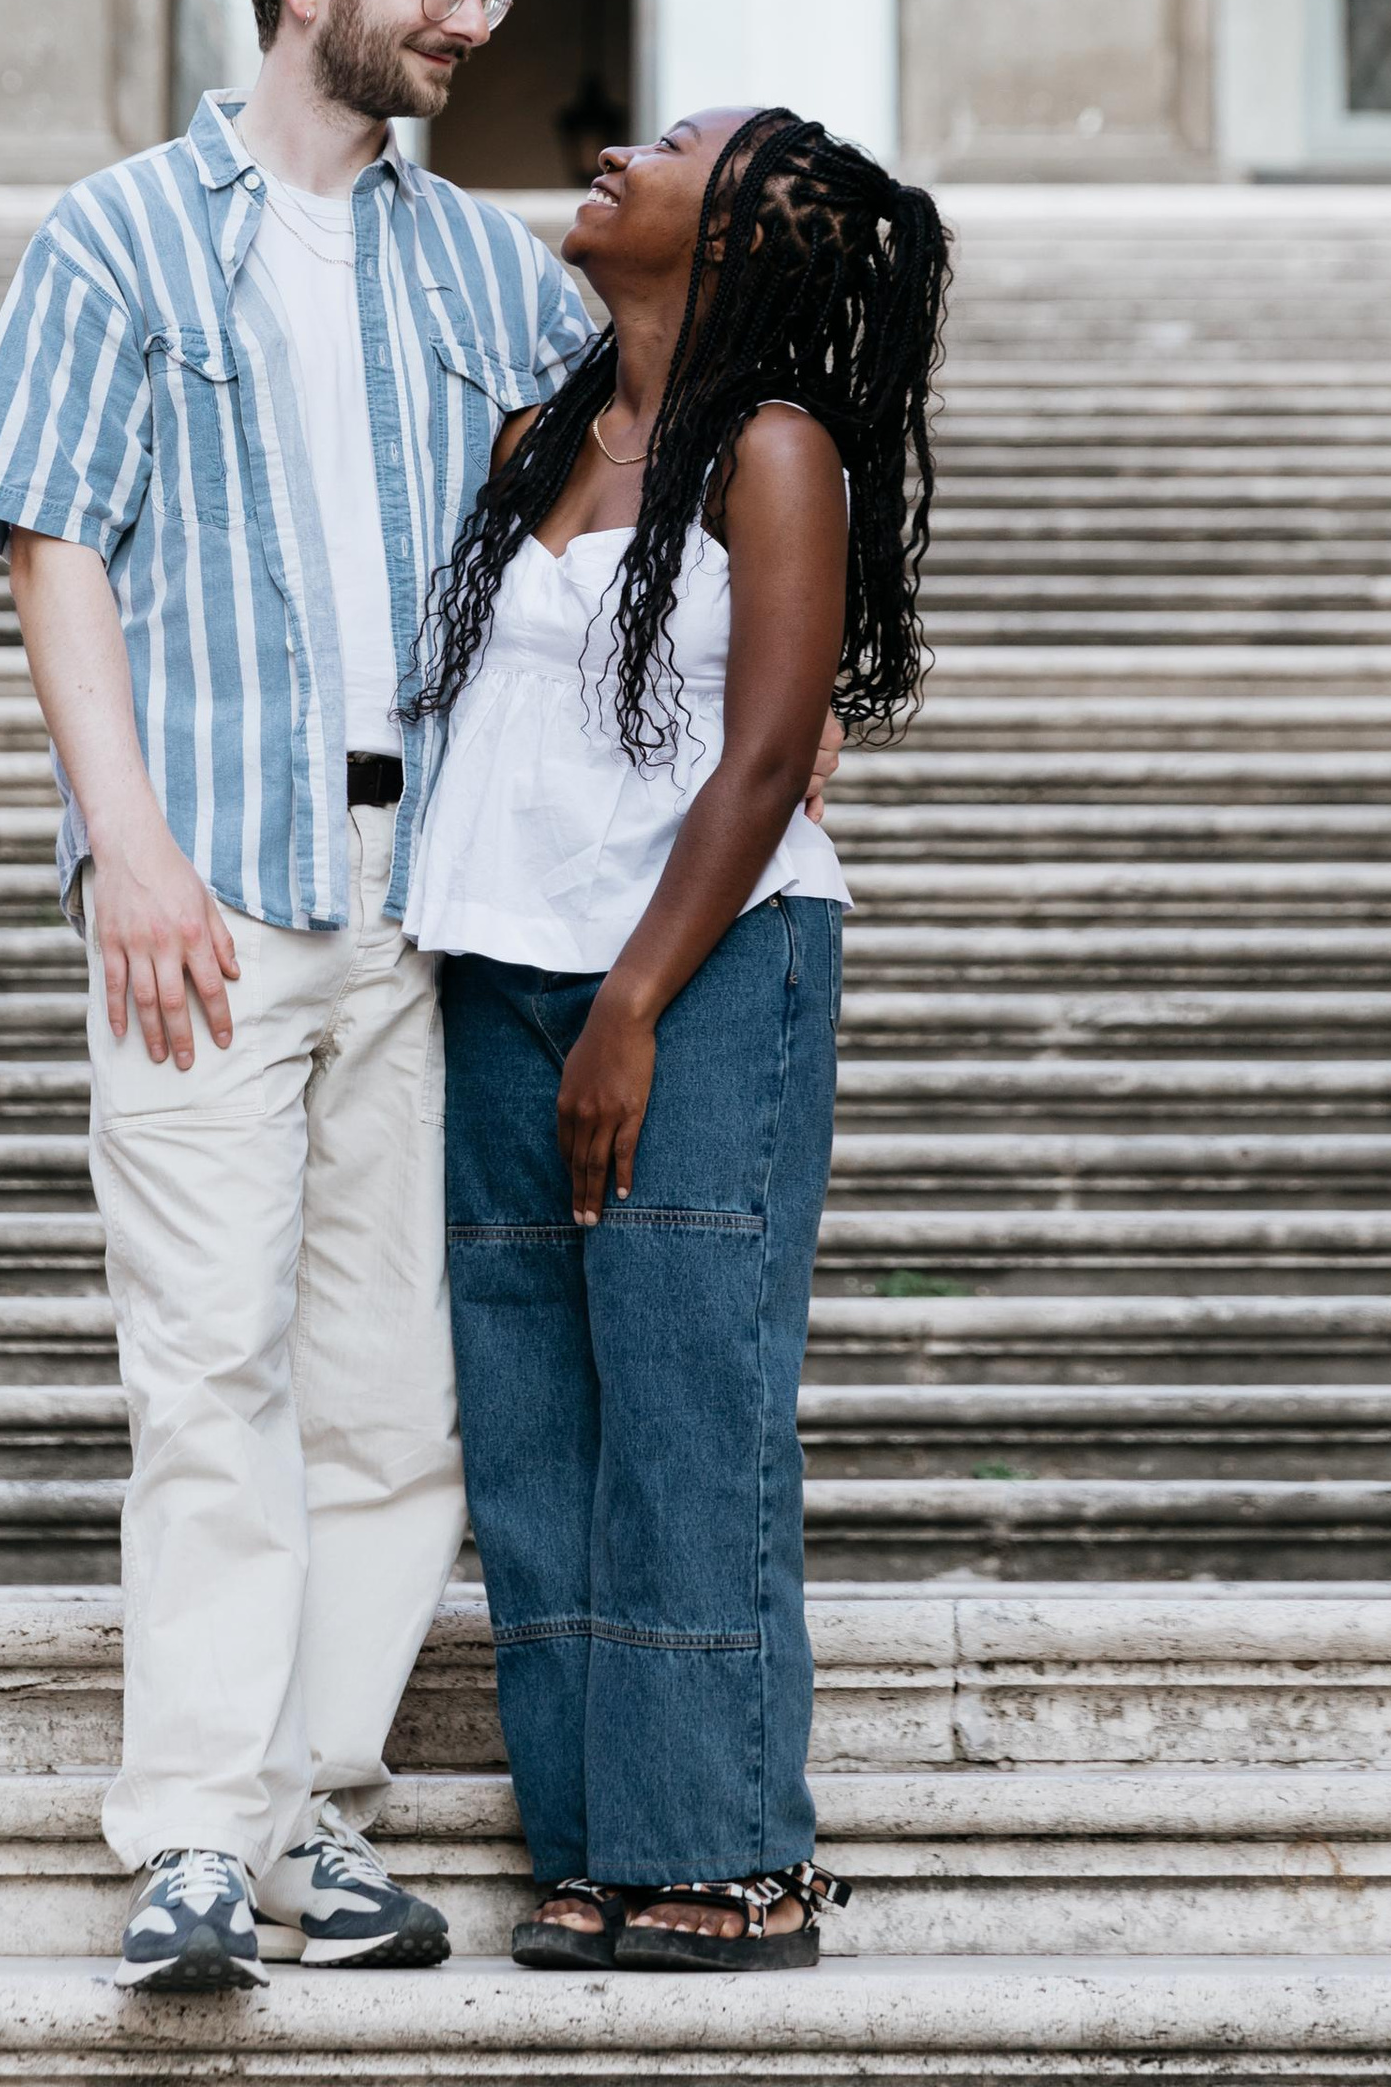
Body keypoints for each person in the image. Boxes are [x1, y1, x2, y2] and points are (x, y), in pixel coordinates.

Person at [0, 0, 594, 1994]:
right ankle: (193, 1841)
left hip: (425, 911)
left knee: (396, 1406)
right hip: (206, 889)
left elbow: (583, 525)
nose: (471, 15)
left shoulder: (484, 272)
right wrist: (124, 843)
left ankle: (311, 1818)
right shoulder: (116, 238)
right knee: (206, 1376)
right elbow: (57, 550)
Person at [406, 106, 948, 1973]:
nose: (618, 150)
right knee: (539, 1422)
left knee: (690, 1405)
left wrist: (634, 1000)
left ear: (730, 241)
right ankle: (595, 1847)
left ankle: (726, 1851)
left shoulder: (777, 451)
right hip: (505, 965)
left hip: (704, 974)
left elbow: (772, 754)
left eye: (674, 147)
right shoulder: (543, 437)